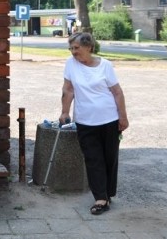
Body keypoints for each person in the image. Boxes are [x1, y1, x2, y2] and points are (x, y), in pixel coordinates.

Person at [59, 32, 129, 216]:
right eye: (71, 48)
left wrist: (123, 117)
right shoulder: (70, 64)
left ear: (89, 47)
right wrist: (65, 112)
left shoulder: (105, 65)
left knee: (109, 158)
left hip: (109, 119)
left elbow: (117, 92)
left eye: (77, 48)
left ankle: (107, 193)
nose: (73, 52)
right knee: (93, 159)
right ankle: (100, 198)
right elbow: (68, 90)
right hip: (85, 120)